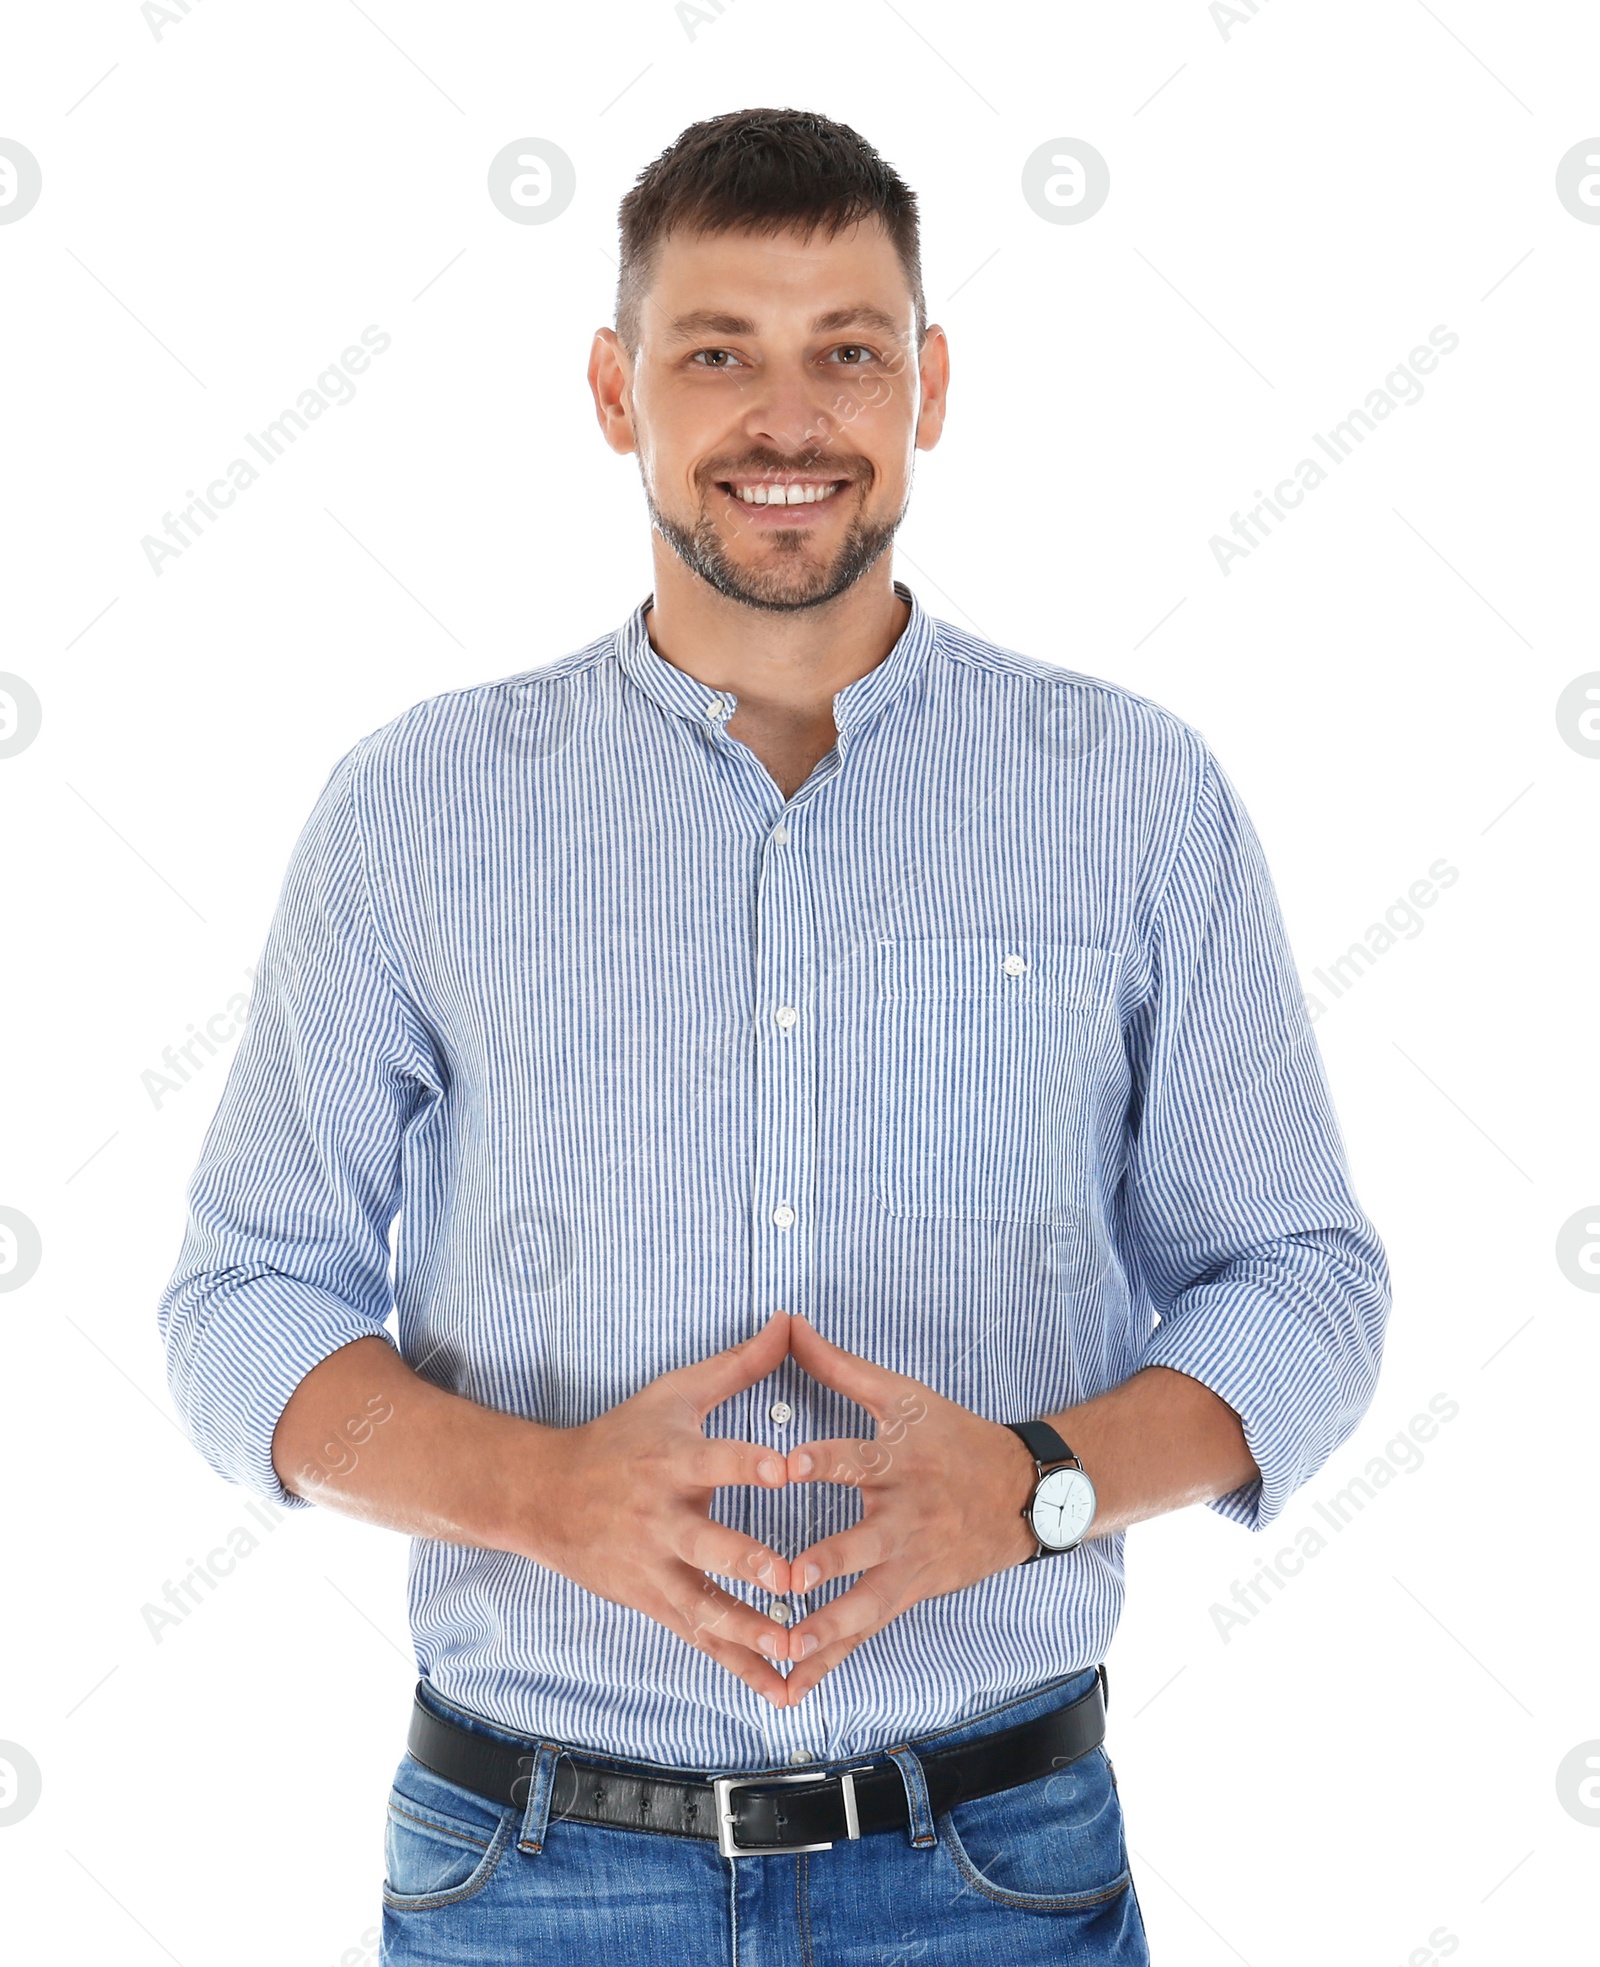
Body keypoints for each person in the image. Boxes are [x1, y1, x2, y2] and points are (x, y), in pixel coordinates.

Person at [157, 106, 1390, 1964]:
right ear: (611, 387)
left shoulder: (1133, 797)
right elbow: (241, 1300)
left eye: (849, 354)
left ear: (932, 384)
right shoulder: (418, 807)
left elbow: (1299, 1284)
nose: (788, 421)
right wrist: (544, 1494)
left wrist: (1036, 1489)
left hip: (998, 1867)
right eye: (717, 352)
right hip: (535, 1874)